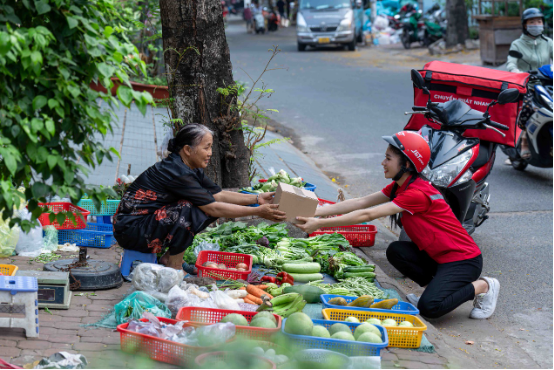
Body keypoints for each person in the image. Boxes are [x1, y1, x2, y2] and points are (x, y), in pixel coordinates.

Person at [296, 131, 500, 320]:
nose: (383, 163)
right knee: (396, 251)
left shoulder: (417, 193)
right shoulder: (401, 185)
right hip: (438, 258)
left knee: (430, 309)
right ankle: (435, 288)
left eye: (388, 158)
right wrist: (315, 212)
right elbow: (360, 202)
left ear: (407, 164)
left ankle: (484, 285)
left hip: (462, 261)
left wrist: (320, 225)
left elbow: (367, 213)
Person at [113, 124, 286, 270]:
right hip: (130, 231)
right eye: (206, 147)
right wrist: (259, 212)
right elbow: (213, 206)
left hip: (143, 225)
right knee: (189, 208)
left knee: (199, 206)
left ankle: (170, 258)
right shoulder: (177, 172)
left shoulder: (189, 167)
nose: (210, 152)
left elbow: (219, 195)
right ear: (188, 150)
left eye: (210, 147)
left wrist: (257, 199)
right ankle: (174, 263)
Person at [506, 8, 553, 161]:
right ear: (525, 25)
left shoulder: (548, 43)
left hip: (547, 84)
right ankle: (524, 139)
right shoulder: (517, 44)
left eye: (539, 21)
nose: (536, 24)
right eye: (532, 22)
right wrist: (517, 72)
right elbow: (511, 63)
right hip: (525, 85)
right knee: (529, 107)